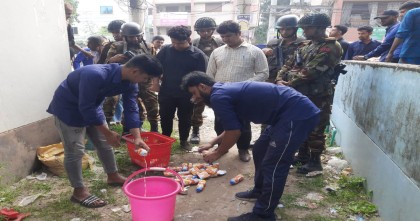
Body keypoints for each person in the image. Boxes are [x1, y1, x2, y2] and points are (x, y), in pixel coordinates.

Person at [181, 72, 320, 221]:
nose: (194, 99)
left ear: (202, 86)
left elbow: (234, 133)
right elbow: (235, 126)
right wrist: (213, 142)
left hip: (296, 114)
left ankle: (263, 214)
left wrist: (217, 153)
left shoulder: (218, 96)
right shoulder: (222, 92)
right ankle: (260, 191)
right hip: (282, 116)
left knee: (274, 164)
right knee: (260, 149)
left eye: (194, 93)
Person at [47, 55, 163, 208]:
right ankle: (79, 191)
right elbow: (85, 107)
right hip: (68, 109)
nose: (145, 81)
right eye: (145, 78)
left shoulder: (130, 83)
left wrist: (137, 137)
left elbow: (131, 108)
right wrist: (107, 132)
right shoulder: (94, 74)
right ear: (135, 71)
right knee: (75, 151)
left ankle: (113, 176)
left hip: (93, 107)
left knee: (105, 144)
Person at [276, 13, 342, 174]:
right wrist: (279, 79)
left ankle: (315, 162)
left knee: (316, 127)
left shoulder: (330, 47)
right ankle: (303, 156)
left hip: (318, 95)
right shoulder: (305, 45)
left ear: (320, 28)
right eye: (303, 28)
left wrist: (289, 81)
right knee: (302, 125)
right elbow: (288, 64)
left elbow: (311, 71)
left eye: (308, 27)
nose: (304, 31)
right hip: (300, 93)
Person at [205, 20, 269, 162]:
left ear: (239, 33)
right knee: (221, 123)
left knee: (243, 124)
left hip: (244, 96)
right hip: (221, 96)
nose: (225, 39)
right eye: (223, 37)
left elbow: (263, 73)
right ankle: (222, 147)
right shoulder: (217, 52)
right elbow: (209, 75)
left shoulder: (255, 51)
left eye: (229, 36)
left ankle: (243, 149)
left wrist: (244, 85)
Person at [156, 25, 208, 150]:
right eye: (173, 42)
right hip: (167, 91)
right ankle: (165, 140)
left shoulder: (198, 55)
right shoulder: (165, 50)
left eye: (180, 43)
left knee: (185, 117)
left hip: (187, 93)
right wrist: (155, 83)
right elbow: (156, 67)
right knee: (165, 116)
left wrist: (197, 94)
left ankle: (184, 141)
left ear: (189, 40)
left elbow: (202, 77)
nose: (176, 45)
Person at [106, 22, 160, 132]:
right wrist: (113, 59)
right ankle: (123, 129)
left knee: (152, 104)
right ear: (124, 37)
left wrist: (155, 81)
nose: (135, 39)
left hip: (145, 81)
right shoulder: (116, 46)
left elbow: (155, 64)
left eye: (138, 36)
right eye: (132, 37)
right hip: (123, 81)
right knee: (118, 103)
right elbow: (106, 65)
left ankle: (154, 129)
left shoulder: (149, 47)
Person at [190, 17, 225, 144]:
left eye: (208, 30)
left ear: (212, 30)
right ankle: (195, 131)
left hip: (217, 80)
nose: (205, 33)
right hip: (199, 80)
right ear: (198, 32)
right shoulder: (194, 43)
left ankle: (222, 135)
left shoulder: (221, 43)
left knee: (220, 107)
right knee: (197, 107)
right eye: (202, 31)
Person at [99, 20, 126, 125]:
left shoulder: (137, 44)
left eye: (117, 31)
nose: (116, 34)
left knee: (134, 104)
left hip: (133, 79)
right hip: (113, 79)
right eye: (113, 32)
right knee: (110, 102)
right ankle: (106, 126)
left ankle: (130, 127)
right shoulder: (109, 46)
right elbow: (102, 64)